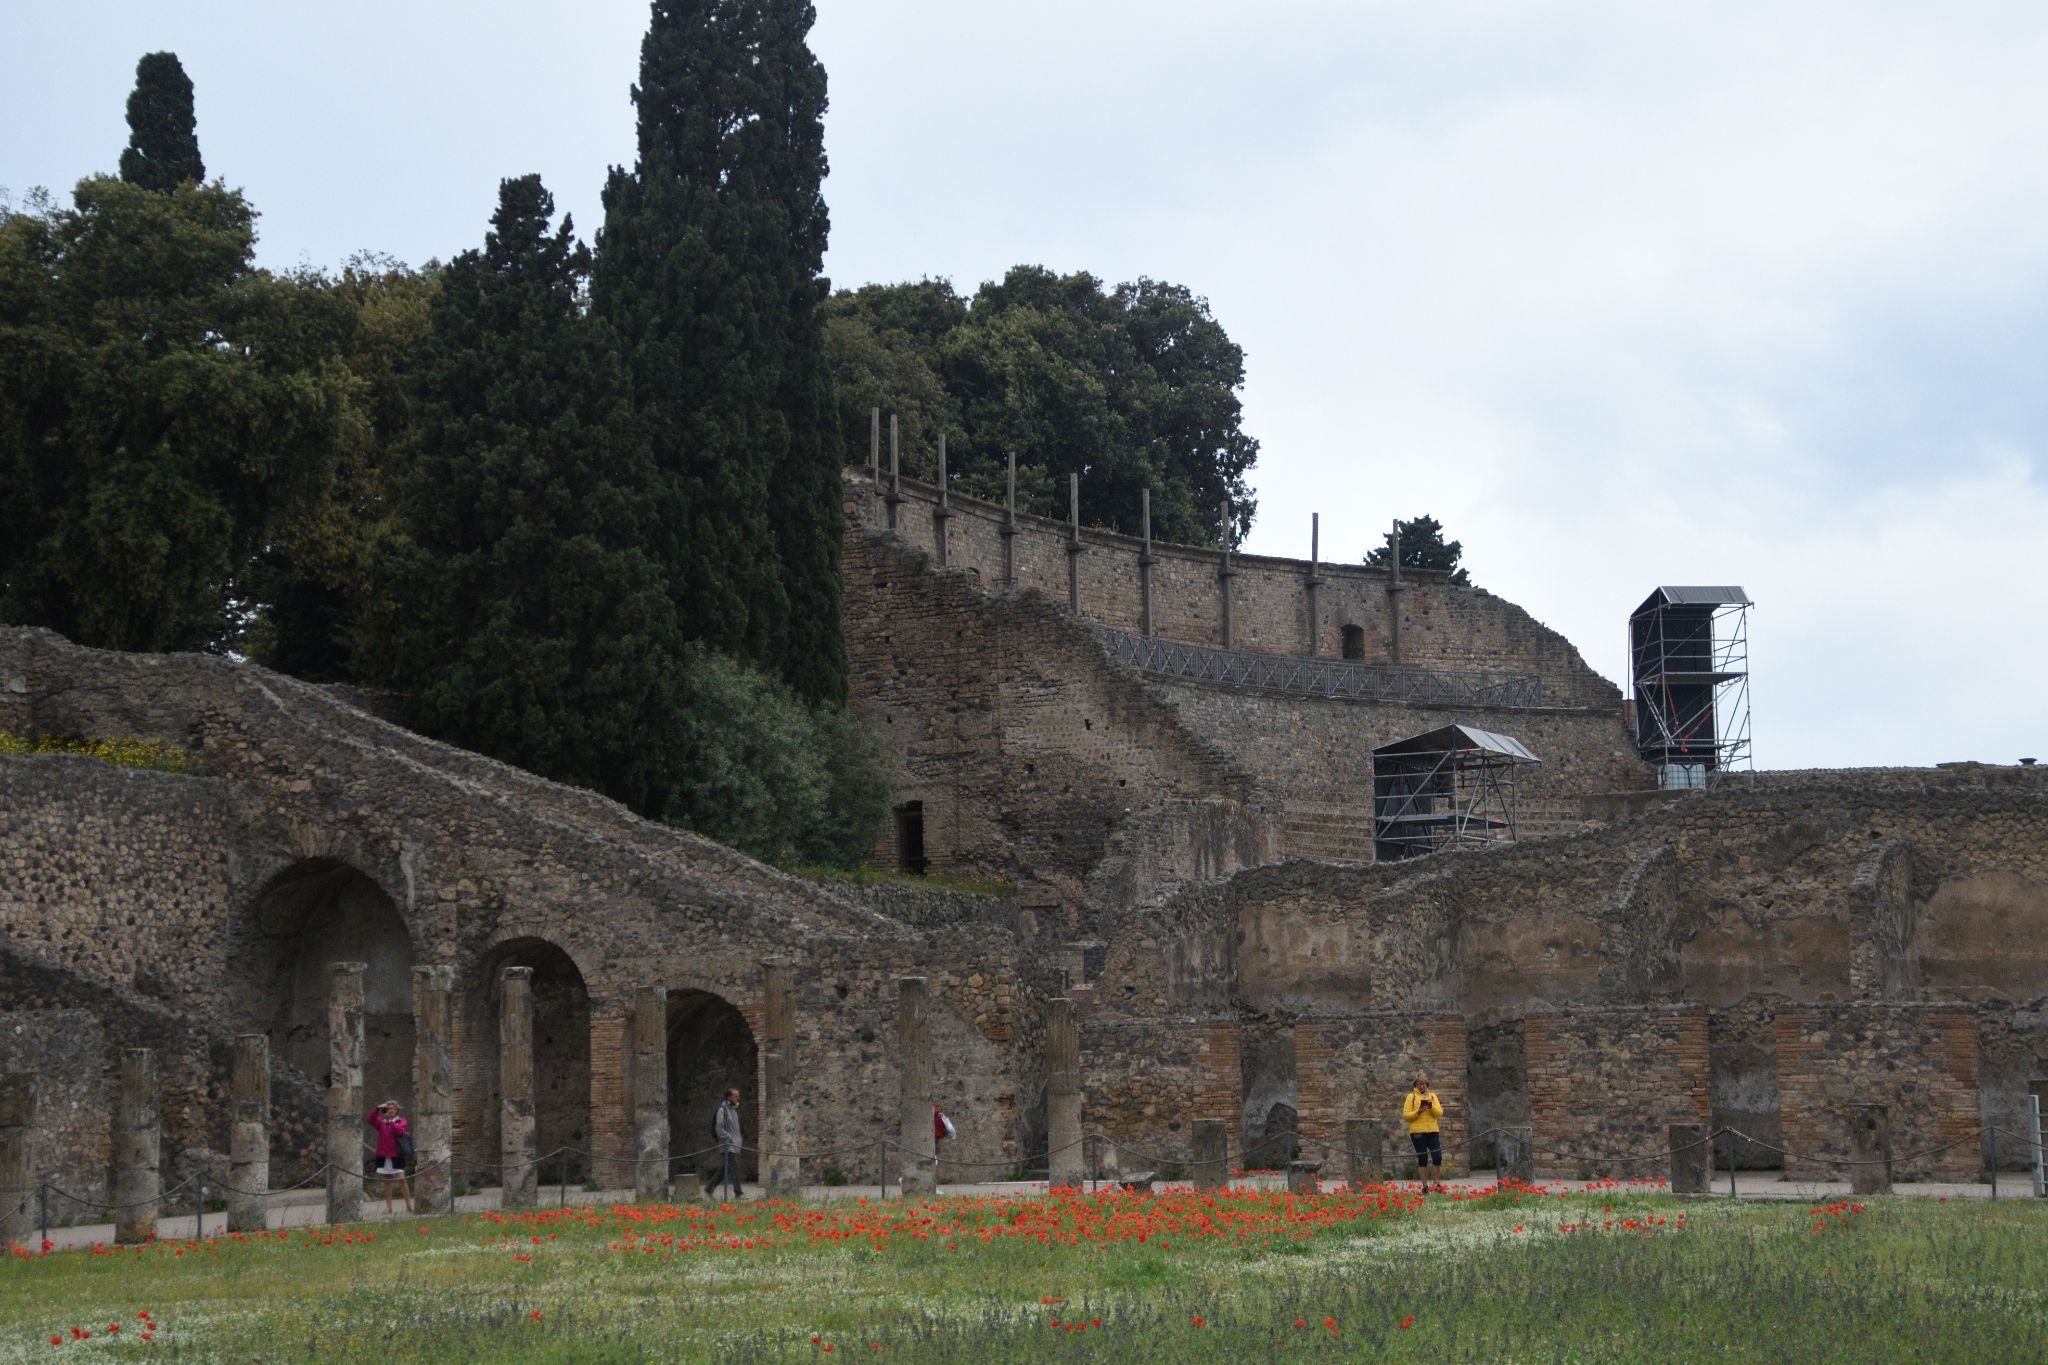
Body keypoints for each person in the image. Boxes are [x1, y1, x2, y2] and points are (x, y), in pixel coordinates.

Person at [366, 1099, 414, 1214]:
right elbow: (370, 1120)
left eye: (392, 1108)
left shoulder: (402, 1121)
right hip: (383, 1154)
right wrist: (377, 1108)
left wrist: (390, 1121)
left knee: (402, 1180)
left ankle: (409, 1205)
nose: (390, 1110)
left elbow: (399, 1132)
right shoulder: (381, 1122)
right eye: (388, 1108)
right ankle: (389, 1207)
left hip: (396, 1154)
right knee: (386, 1182)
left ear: (397, 1110)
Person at [1402, 1073, 1446, 1192]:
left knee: (1437, 1157)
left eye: (1423, 1084)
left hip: (1432, 1130)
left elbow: (1439, 1113)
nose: (1421, 1086)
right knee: (1423, 1158)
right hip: (1417, 1132)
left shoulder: (1433, 1096)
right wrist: (1418, 1112)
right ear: (1415, 1085)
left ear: (1427, 1084)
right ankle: (1425, 1186)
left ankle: (1436, 1183)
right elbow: (1406, 1116)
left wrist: (1431, 1106)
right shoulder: (1411, 1097)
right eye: (1419, 1084)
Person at [713, 1087, 744, 1202]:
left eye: (738, 1096)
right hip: (728, 1146)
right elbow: (719, 1129)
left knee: (723, 1170)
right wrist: (729, 1138)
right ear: (729, 1097)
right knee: (735, 1168)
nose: (738, 1098)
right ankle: (738, 1193)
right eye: (735, 1096)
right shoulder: (722, 1110)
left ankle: (708, 1189)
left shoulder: (734, 1110)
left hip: (735, 1145)